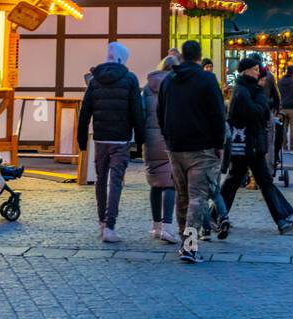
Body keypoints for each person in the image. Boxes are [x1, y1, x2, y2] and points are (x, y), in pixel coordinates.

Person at [157, 39, 227, 263]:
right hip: (201, 147)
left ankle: (184, 242)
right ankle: (190, 246)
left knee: (182, 195)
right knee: (198, 196)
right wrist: (219, 144)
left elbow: (160, 112)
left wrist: (168, 137)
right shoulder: (207, 80)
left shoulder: (169, 80)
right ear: (199, 57)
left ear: (182, 56)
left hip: (175, 146)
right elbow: (218, 114)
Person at [221, 55, 293, 235]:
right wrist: (261, 102)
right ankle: (284, 217)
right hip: (246, 143)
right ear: (246, 71)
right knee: (241, 180)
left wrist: (261, 103)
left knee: (248, 180)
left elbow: (261, 112)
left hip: (252, 143)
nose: (259, 74)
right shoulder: (243, 90)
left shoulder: (249, 89)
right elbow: (256, 113)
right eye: (256, 70)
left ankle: (285, 217)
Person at [77, 41, 144, 244]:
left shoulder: (95, 80)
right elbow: (136, 113)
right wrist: (140, 142)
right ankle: (110, 226)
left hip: (100, 137)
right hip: (121, 138)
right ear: (122, 59)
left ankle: (101, 222)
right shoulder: (130, 79)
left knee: (100, 178)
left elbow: (85, 110)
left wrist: (82, 139)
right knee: (115, 181)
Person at [142, 55, 180, 244]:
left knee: (155, 182)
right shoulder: (176, 84)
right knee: (170, 183)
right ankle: (167, 226)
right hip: (169, 137)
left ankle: (155, 226)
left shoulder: (148, 86)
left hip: (150, 139)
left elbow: (141, 111)